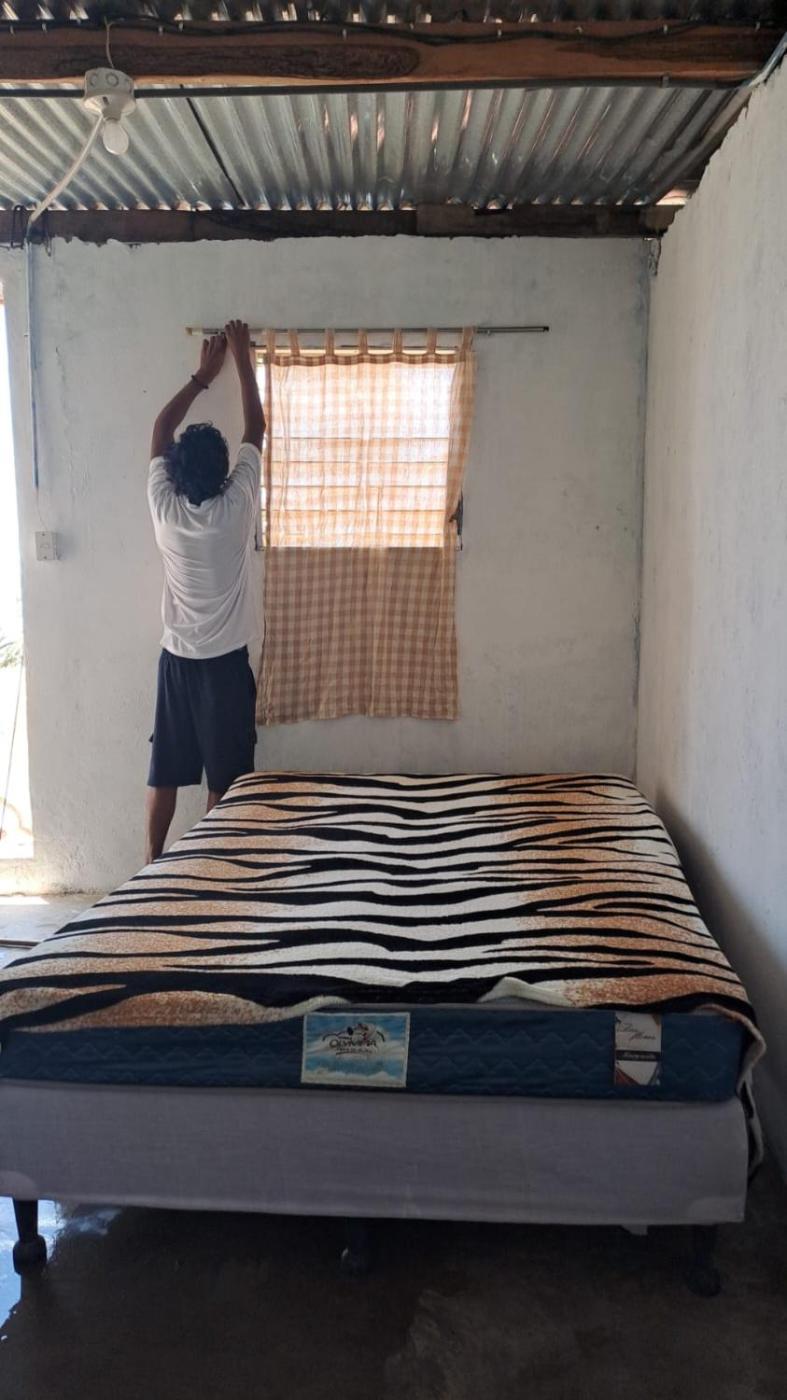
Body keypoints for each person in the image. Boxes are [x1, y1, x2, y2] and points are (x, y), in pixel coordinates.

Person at [145, 319, 265, 863]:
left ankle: (152, 862)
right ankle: (208, 865)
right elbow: (256, 428)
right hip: (224, 668)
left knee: (166, 770)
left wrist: (204, 375)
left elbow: (160, 428)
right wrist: (243, 359)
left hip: (176, 661)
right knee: (225, 776)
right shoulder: (235, 509)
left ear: (174, 473)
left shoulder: (165, 510)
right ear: (223, 473)